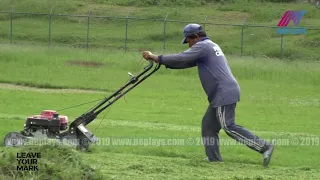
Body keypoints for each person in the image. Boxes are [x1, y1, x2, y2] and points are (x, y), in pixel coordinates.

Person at [141, 23, 275, 167]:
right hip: (221, 92)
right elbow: (183, 62)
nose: (188, 45)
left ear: (196, 37)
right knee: (209, 126)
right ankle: (214, 160)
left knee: (228, 126)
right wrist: (161, 62)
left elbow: (181, 58)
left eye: (188, 41)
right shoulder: (209, 46)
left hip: (223, 91)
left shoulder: (203, 46)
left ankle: (264, 147)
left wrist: (156, 57)